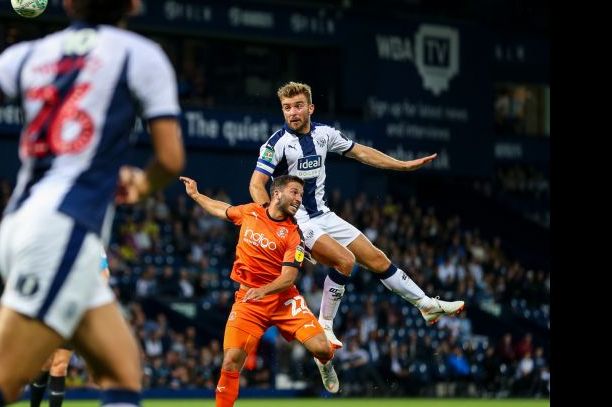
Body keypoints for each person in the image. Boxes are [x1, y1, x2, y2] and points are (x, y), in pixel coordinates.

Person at [0, 0, 185, 405]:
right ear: (133, 3)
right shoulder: (140, 54)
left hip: (27, 224)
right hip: (61, 230)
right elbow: (170, 157)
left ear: (68, 3)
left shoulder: (30, 53)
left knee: (123, 369)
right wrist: (142, 185)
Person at [249, 81, 464, 348]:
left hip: (323, 215)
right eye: (287, 107)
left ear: (311, 108)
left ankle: (426, 304)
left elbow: (361, 152)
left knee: (376, 258)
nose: (292, 112)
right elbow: (256, 184)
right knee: (345, 261)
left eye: (298, 106)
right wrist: (275, 225)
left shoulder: (325, 135)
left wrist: (402, 165)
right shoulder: (276, 144)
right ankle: (324, 326)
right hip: (298, 222)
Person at [180, 174, 340, 403]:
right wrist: (196, 195)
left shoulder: (294, 234)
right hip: (249, 300)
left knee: (323, 348)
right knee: (230, 361)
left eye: (301, 195)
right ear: (277, 194)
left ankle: (325, 365)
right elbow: (223, 209)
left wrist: (264, 290)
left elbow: (289, 278)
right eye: (294, 192)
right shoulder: (251, 212)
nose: (298, 199)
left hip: (283, 299)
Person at [29, 247, 110, 407]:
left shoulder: (93, 244)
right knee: (46, 363)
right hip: (52, 308)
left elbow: (104, 273)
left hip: (73, 312)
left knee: (59, 365)